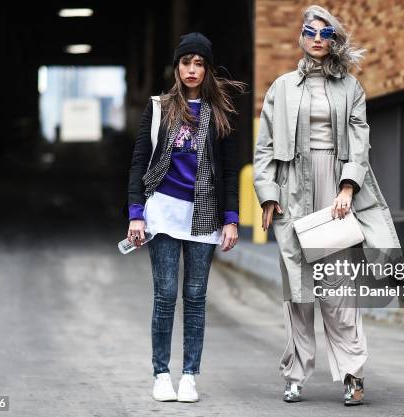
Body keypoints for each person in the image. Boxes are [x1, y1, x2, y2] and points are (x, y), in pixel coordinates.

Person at [253, 5, 401, 406]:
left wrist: (349, 186)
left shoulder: (351, 88)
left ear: (335, 41)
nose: (317, 39)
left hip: (334, 192)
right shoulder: (280, 88)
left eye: (326, 34)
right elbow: (265, 148)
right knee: (297, 290)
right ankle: (295, 374)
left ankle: (353, 374)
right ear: (300, 38)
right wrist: (267, 195)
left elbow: (360, 141)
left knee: (337, 288)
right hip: (291, 193)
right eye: (310, 32)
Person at [126, 32, 245, 403]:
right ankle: (161, 374)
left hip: (204, 212)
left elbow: (228, 170)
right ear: (177, 67)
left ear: (207, 69)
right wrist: (135, 213)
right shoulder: (159, 107)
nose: (192, 70)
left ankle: (190, 375)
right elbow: (138, 161)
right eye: (186, 63)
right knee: (165, 296)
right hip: (162, 210)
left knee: (195, 296)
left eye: (199, 64)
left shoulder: (220, 112)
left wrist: (231, 218)